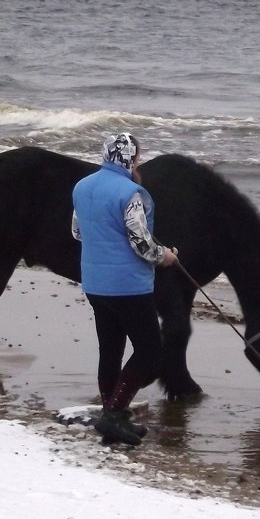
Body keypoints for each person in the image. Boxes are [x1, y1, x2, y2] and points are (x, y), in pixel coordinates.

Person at [71, 133, 178, 446]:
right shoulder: (132, 193)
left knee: (111, 350)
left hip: (94, 283)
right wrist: (167, 256)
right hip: (129, 287)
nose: (140, 162)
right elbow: (143, 246)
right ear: (131, 159)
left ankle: (113, 416)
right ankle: (114, 414)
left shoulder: (82, 186)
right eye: (138, 157)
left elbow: (78, 232)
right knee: (150, 352)